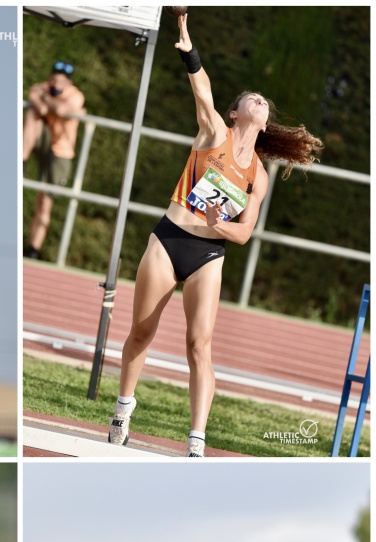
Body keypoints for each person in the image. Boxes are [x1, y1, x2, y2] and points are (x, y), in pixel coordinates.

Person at [108, 12, 323, 456]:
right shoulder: (213, 133)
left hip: (209, 252)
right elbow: (202, 91)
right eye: (252, 97)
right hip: (168, 241)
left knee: (198, 345)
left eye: (264, 102)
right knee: (142, 333)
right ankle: (122, 412)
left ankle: (196, 442)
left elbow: (244, 234)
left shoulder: (257, 177)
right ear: (235, 112)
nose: (260, 101)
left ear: (264, 123)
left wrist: (216, 224)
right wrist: (188, 43)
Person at [23, 61, 85, 259]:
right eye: (55, 78)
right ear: (51, 78)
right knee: (32, 113)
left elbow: (59, 111)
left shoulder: (76, 95)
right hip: (43, 140)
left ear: (68, 82)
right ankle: (21, 160)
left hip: (61, 151)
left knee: (44, 201)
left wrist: (45, 99)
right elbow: (38, 107)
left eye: (62, 80)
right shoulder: (42, 87)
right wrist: (48, 102)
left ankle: (33, 248)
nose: (57, 83)